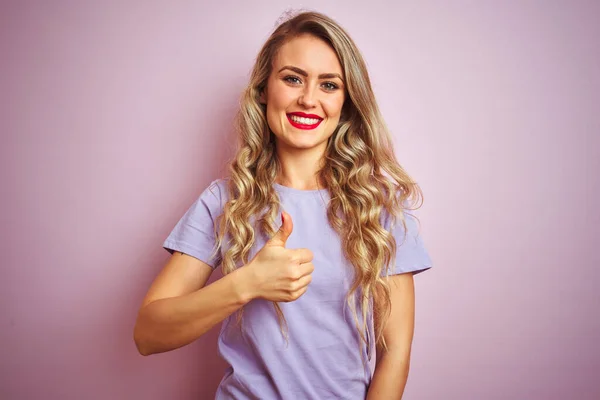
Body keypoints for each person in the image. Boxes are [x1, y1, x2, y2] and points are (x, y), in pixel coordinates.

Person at [134, 10, 432, 400]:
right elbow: (148, 334)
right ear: (263, 89)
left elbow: (395, 354)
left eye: (329, 85)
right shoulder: (224, 202)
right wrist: (245, 284)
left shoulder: (381, 210)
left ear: (347, 102)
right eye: (293, 79)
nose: (308, 99)